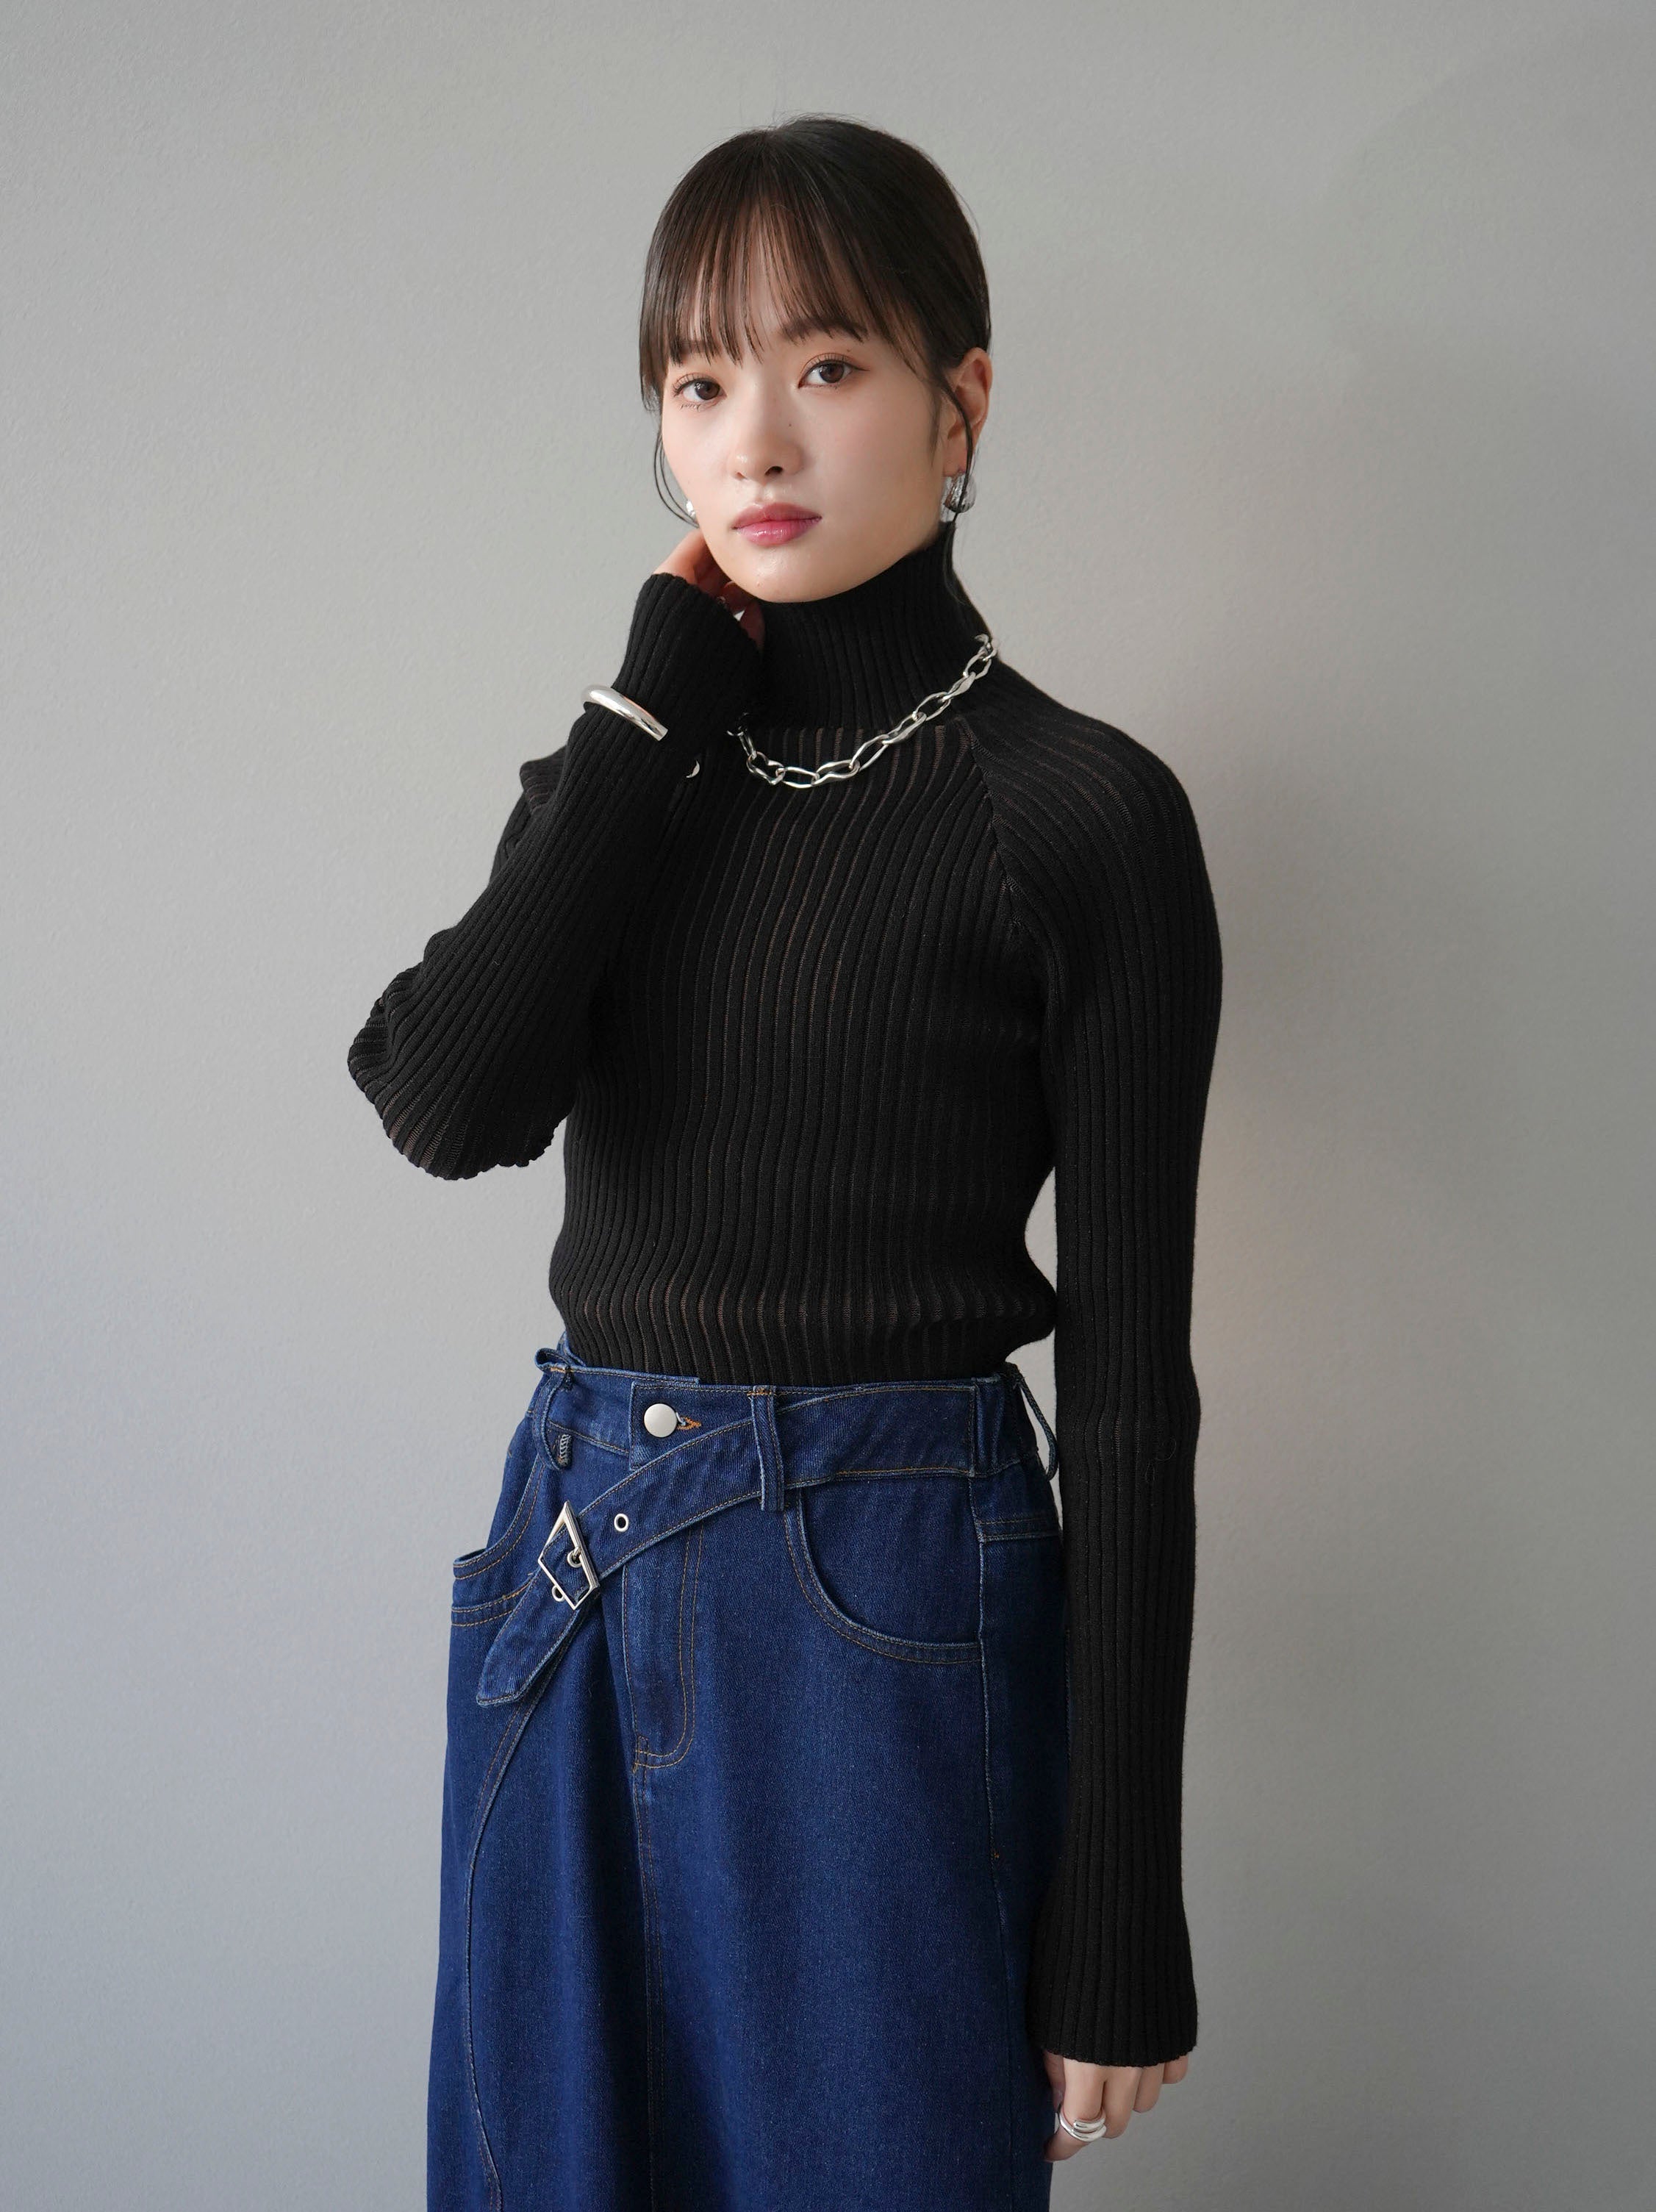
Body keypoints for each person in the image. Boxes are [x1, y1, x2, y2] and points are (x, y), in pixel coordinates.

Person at [348, 114, 1222, 2212]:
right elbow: (447, 1105)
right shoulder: (622, 782)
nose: (754, 440)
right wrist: (646, 713)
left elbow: (1129, 1394)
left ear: (960, 399)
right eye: (697, 381)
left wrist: (1123, 1906)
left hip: (886, 1581)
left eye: (826, 366)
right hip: (574, 1552)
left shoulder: (1079, 816)